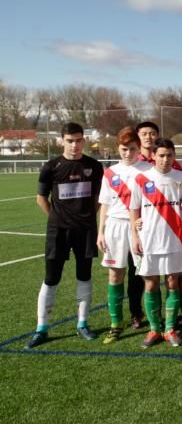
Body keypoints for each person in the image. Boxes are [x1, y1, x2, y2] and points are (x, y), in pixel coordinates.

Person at [26, 122, 106, 349]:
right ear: (61, 140)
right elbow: (41, 198)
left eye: (79, 140)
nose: (74, 145)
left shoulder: (94, 166)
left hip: (85, 230)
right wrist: (56, 218)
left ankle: (82, 323)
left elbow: (98, 198)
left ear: (84, 141)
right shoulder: (51, 166)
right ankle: (41, 328)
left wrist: (87, 216)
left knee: (84, 275)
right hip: (58, 231)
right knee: (52, 277)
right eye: (70, 141)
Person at [128, 138, 182, 349]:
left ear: (174, 156)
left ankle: (169, 329)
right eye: (161, 155)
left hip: (175, 240)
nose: (165, 159)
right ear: (153, 156)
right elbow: (134, 209)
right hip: (149, 240)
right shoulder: (141, 178)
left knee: (172, 282)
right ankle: (153, 329)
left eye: (169, 155)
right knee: (150, 284)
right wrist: (135, 236)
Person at [97, 127, 151, 342]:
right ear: (117, 149)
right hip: (115, 226)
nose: (128, 153)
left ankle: (151, 321)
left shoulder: (148, 170)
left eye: (132, 149)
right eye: (123, 149)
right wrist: (101, 231)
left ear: (139, 149)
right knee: (115, 274)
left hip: (140, 227)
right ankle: (116, 323)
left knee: (147, 275)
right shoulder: (110, 173)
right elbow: (105, 204)